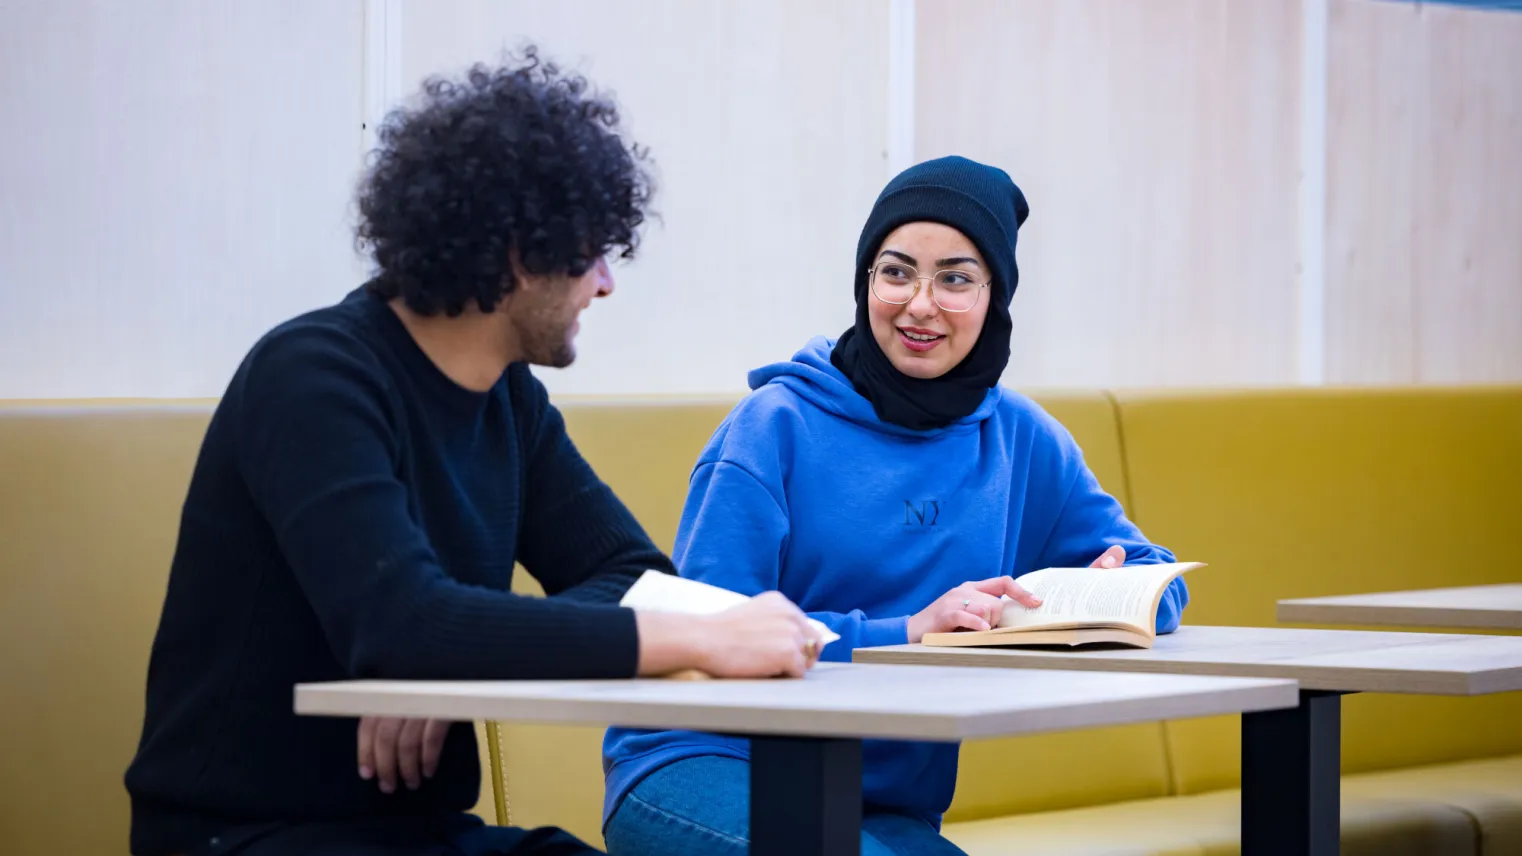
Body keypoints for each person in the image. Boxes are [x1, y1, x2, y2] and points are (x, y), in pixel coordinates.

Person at [123, 48, 823, 856]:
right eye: (592, 252)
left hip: (420, 835)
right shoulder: (312, 377)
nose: (605, 283)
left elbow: (633, 578)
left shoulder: (509, 400)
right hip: (244, 837)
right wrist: (699, 638)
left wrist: (455, 659)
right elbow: (403, 623)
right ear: (523, 254)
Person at [600, 155, 1190, 856]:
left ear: (995, 297)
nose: (919, 304)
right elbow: (708, 632)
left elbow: (1158, 577)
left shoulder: (1020, 440)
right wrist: (906, 632)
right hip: (705, 763)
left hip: (877, 800)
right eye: (897, 271)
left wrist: (1102, 595)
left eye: (956, 280)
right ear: (865, 281)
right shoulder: (773, 427)